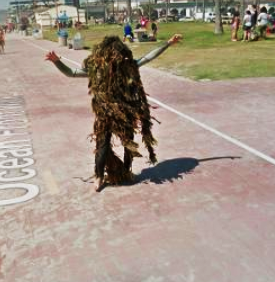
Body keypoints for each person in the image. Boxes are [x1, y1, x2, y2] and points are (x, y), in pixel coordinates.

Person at [45, 33, 184, 191]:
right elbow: (71, 73)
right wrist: (57, 62)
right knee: (102, 145)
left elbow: (148, 57)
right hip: (104, 114)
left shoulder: (128, 66)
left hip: (126, 112)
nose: (116, 57)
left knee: (128, 143)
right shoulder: (97, 69)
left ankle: (126, 170)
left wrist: (167, 43)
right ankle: (99, 176)